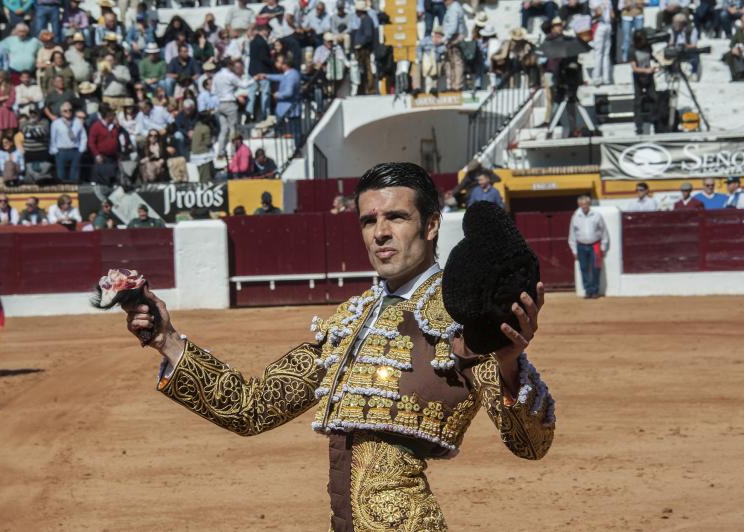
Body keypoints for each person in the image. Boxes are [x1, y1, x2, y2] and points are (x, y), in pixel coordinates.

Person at [122, 162, 553, 529]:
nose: (381, 233)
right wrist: (167, 340)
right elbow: (252, 407)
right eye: (369, 220)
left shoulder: (461, 314)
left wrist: (510, 363)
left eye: (396, 218)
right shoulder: (351, 319)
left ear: (432, 224)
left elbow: (531, 445)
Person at [568, 195, 609, 299]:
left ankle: (595, 290)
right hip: (581, 246)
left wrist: (603, 247)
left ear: (589, 204)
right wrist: (574, 250)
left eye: (586, 204)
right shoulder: (575, 216)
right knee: (584, 269)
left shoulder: (597, 215)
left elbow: (604, 232)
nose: (584, 206)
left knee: (596, 268)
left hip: (595, 245)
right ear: (579, 205)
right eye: (582, 204)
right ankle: (588, 290)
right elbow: (572, 235)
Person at [213, 58, 253, 160]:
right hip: (230, 103)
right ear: (229, 65)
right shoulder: (230, 76)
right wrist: (255, 79)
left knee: (223, 129)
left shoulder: (216, 76)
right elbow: (244, 85)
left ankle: (221, 152)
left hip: (220, 103)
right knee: (233, 129)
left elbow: (214, 90)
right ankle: (234, 152)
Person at [261, 53, 302, 150]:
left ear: (285, 65)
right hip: (286, 109)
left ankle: (297, 149)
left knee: (294, 132)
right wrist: (266, 76)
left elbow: (289, 92)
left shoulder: (292, 75)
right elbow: (280, 77)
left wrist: (278, 94)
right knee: (291, 130)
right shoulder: (291, 73)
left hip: (289, 109)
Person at [49, 102, 87, 183]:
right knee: (61, 175)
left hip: (75, 151)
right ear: (61, 112)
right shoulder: (56, 123)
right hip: (61, 151)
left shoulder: (77, 122)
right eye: (65, 111)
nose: (68, 112)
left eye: (70, 110)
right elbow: (53, 138)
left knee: (74, 175)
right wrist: (55, 151)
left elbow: (83, 137)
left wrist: (81, 150)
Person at [630, 30, 657, 135]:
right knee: (638, 101)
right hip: (639, 76)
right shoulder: (632, 50)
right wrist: (646, 71)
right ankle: (638, 125)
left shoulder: (647, 46)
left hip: (649, 75)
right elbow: (634, 68)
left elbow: (652, 57)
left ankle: (654, 120)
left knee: (653, 97)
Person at [88, 103, 122, 185]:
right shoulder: (96, 126)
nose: (114, 116)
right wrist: (97, 155)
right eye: (112, 114)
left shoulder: (114, 126)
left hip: (113, 157)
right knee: (102, 179)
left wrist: (118, 127)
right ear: (107, 115)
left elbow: (119, 139)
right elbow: (91, 143)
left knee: (114, 179)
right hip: (102, 157)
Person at [247, 25, 274, 123]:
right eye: (268, 32)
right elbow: (263, 58)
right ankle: (265, 114)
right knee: (265, 93)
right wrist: (273, 62)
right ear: (265, 31)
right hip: (263, 71)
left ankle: (249, 113)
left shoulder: (253, 41)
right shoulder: (262, 42)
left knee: (252, 93)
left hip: (252, 71)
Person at [0, 70, 18, 149]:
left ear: (4, 77)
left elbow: (11, 101)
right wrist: (3, 98)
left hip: (8, 113)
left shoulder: (11, 87)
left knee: (10, 137)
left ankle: (10, 155)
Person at [352, 0, 376, 95]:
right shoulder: (365, 20)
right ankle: (365, 88)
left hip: (365, 49)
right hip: (362, 48)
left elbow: (368, 35)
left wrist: (360, 44)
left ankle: (369, 88)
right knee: (364, 69)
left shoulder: (366, 20)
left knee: (367, 68)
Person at [442, 0, 467, 91]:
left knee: (456, 62)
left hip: (454, 38)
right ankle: (452, 85)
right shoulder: (454, 7)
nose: (443, 1)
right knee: (450, 62)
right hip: (453, 37)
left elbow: (453, 26)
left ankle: (456, 86)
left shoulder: (453, 8)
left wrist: (445, 38)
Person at [589, 0, 613, 85]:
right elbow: (612, 15)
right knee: (606, 53)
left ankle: (596, 77)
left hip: (599, 25)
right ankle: (606, 78)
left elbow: (599, 13)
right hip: (608, 25)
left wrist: (591, 18)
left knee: (599, 53)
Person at [725, 13, 744, 81]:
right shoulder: (739, 30)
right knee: (729, 54)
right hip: (740, 50)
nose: (742, 23)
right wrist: (734, 48)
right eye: (741, 21)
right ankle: (735, 76)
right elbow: (732, 43)